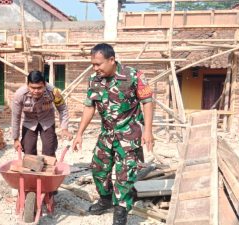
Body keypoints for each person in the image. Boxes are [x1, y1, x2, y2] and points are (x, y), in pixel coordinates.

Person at [72, 43, 154, 225]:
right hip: (106, 134)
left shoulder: (134, 76)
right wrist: (79, 133)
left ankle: (121, 211)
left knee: (125, 174)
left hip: (129, 133)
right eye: (93, 64)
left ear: (111, 60)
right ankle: (105, 199)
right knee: (98, 169)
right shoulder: (94, 80)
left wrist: (148, 130)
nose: (95, 68)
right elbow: (89, 106)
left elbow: (147, 102)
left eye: (98, 64)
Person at [12, 70, 72, 156]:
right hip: (29, 122)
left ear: (44, 85)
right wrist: (16, 139)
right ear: (28, 85)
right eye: (32, 88)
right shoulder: (20, 95)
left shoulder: (53, 92)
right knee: (28, 151)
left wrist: (64, 128)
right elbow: (16, 117)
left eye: (39, 88)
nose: (36, 91)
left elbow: (62, 109)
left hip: (47, 121)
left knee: (49, 150)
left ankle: (50, 168)